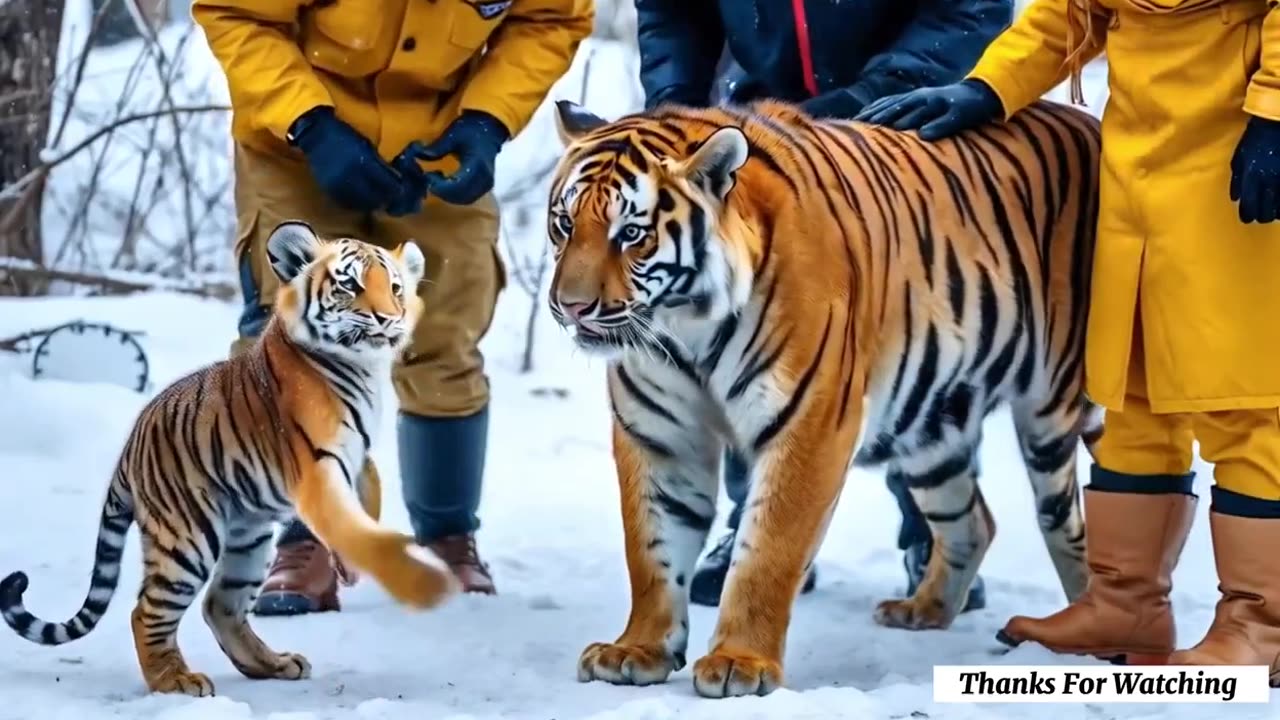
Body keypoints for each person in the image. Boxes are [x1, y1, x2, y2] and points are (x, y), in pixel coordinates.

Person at [857, 0, 1280, 668]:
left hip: (1236, 165)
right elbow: (1066, 13)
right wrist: (988, 86)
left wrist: (1276, 112)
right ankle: (1125, 606)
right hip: (1135, 170)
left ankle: (1261, 627)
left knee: (1244, 401)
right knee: (1133, 399)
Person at [192, 0, 594, 614]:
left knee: (444, 333)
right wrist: (311, 123)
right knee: (293, 340)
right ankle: (310, 541)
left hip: (440, 142)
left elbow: (554, 17)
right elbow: (236, 12)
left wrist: (489, 119)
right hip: (295, 142)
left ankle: (447, 537)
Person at [633, 0, 1014, 609]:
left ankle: (935, 530)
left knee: (916, 333)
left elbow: (970, 8)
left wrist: (874, 95)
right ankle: (759, 528)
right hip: (760, 116)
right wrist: (674, 101)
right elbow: (671, 11)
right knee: (753, 328)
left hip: (908, 124)